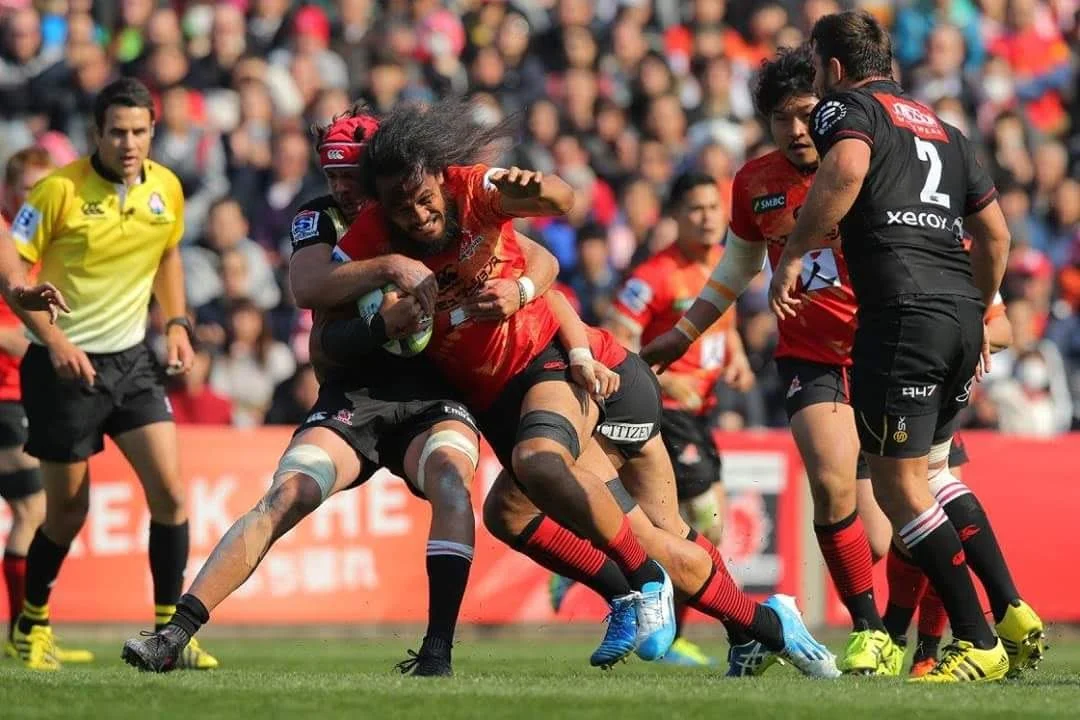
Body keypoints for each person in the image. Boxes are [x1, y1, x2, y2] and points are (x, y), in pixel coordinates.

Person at [336, 99, 837, 677]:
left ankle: (667, 596)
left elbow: (555, 216)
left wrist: (539, 220)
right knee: (513, 515)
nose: (419, 215)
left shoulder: (473, 191)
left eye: (425, 199)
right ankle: (748, 623)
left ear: (440, 178)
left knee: (595, 501)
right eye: (401, 207)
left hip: (591, 376)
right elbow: (313, 284)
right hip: (519, 395)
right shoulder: (376, 240)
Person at [122, 108, 484, 677]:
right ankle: (175, 634)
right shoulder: (317, 219)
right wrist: (388, 275)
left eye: (350, 174)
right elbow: (308, 288)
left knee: (451, 481)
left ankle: (437, 653)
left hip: (434, 394)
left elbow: (524, 248)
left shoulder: (427, 205)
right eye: (330, 173)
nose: (340, 186)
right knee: (287, 493)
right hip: (355, 393)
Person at [768, 13, 1042, 682]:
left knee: (897, 488)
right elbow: (998, 236)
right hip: (959, 315)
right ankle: (1009, 611)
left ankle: (977, 640)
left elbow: (850, 165)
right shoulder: (943, 127)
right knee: (936, 475)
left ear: (832, 67)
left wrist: (798, 248)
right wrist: (977, 313)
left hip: (902, 313)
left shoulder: (846, 108)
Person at [642, 46, 900, 676]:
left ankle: (896, 634)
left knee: (883, 536)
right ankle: (868, 630)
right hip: (808, 355)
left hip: (883, 351)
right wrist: (682, 334)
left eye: (806, 113)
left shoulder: (866, 164)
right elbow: (736, 267)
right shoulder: (754, 183)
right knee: (831, 483)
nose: (795, 129)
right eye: (780, 118)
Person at [0, 78, 216, 672]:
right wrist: (52, 336)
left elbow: (169, 253)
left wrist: (175, 322)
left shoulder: (166, 188)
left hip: (131, 362)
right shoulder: (56, 192)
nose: (128, 143)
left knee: (171, 493)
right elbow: (11, 269)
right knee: (67, 513)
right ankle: (32, 624)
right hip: (62, 365)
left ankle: (168, 636)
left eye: (139, 131)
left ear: (153, 131)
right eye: (117, 132)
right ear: (96, 133)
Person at [554, 171, 757, 668]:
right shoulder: (653, 276)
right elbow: (618, 345)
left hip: (701, 414)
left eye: (714, 207)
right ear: (675, 217)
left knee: (698, 526)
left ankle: (597, 561)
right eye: (696, 209)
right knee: (700, 519)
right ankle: (669, 633)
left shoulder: (726, 266)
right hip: (665, 415)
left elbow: (720, 324)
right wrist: (665, 383)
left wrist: (737, 355)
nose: (708, 217)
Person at [0, 147, 61, 662]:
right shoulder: (4, 244)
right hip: (4, 395)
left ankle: (27, 633)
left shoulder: (38, 249)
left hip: (31, 392)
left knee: (36, 509)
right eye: (27, 190)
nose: (34, 202)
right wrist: (16, 337)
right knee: (30, 509)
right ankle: (25, 635)